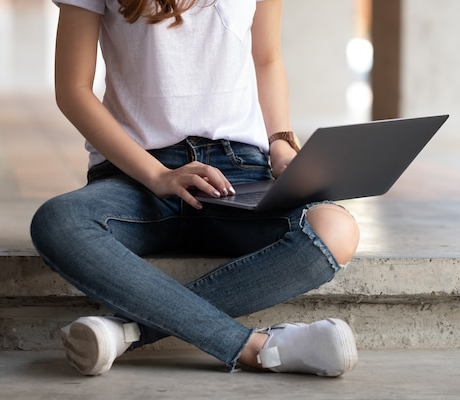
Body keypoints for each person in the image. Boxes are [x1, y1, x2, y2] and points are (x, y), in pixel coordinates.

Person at [30, 0, 361, 377]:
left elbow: (266, 58)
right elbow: (73, 90)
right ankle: (255, 348)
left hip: (237, 171)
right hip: (137, 175)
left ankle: (127, 330)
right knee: (59, 221)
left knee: (336, 228)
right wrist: (157, 176)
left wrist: (281, 142)